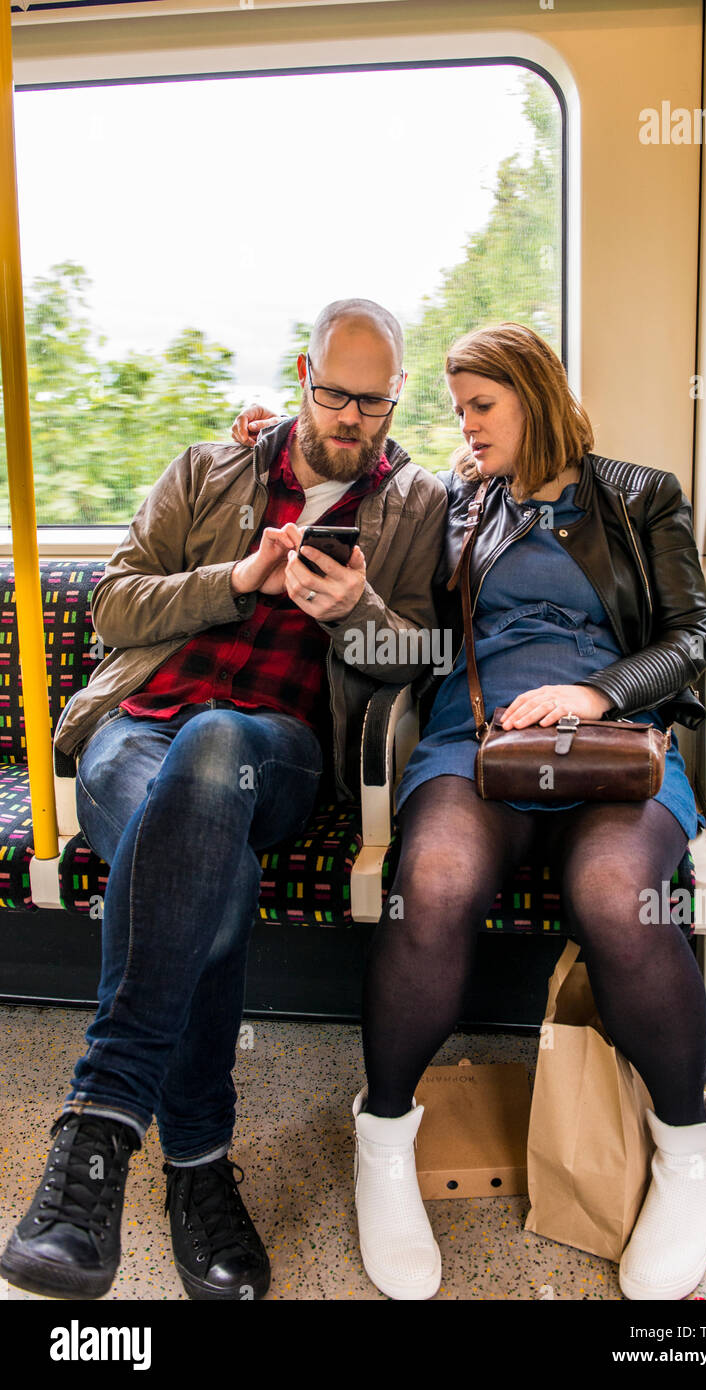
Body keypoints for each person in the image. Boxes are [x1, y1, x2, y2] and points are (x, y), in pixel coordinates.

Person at [235, 320, 706, 1304]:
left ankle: (684, 1143)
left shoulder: (637, 495)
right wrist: (271, 445)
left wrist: (595, 694)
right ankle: (382, 1137)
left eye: (480, 405)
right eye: (455, 408)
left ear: (532, 394)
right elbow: (373, 511)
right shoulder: (455, 504)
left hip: (610, 746)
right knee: (436, 878)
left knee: (617, 892)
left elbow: (690, 635)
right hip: (475, 740)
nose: (464, 423)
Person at [0, 298, 447, 1303]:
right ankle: (198, 1166)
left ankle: (98, 1126)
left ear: (396, 396)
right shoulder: (207, 469)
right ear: (301, 372)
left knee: (212, 751)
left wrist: (357, 615)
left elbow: (419, 664)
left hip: (270, 750)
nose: (352, 419)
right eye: (335, 394)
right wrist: (237, 578)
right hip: (133, 732)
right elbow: (115, 601)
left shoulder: (415, 506)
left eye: (373, 403)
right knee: (208, 858)